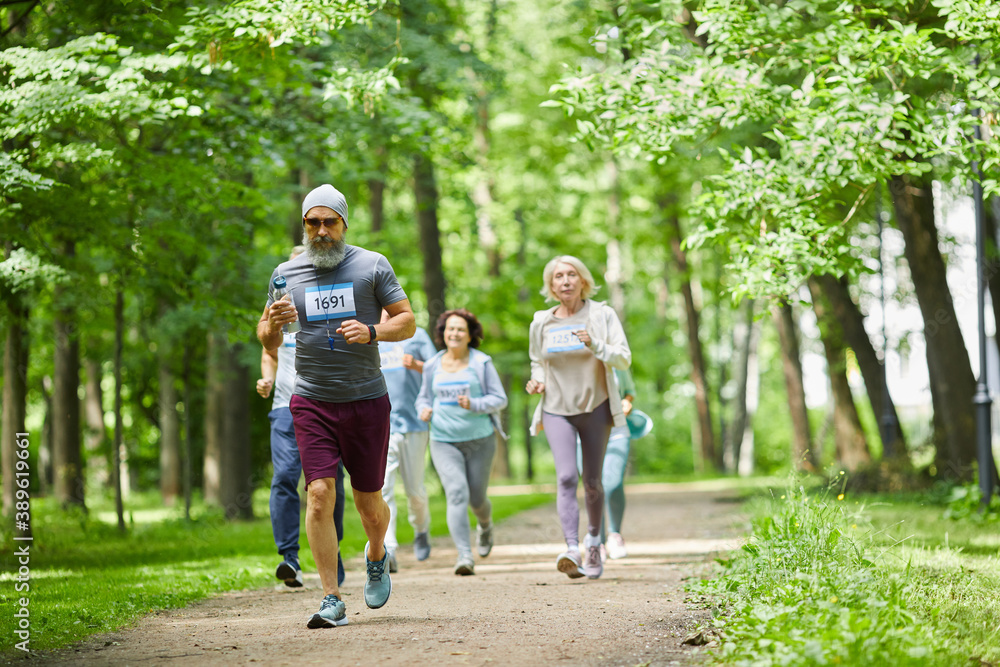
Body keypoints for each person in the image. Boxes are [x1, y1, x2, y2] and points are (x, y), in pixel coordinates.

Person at [258, 184, 416, 629]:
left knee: (369, 504)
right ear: (303, 225)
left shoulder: (372, 265)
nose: (322, 230)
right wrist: (271, 324)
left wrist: (372, 331)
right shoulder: (285, 274)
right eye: (313, 222)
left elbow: (406, 320)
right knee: (319, 494)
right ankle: (331, 596)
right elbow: (266, 339)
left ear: (344, 223)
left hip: (366, 398)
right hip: (311, 399)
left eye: (330, 222)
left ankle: (376, 553)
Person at [526, 255, 631, 580]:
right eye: (559, 276)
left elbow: (624, 358)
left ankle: (595, 542)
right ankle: (572, 548)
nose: (566, 281)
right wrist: (537, 380)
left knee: (592, 481)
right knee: (567, 477)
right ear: (551, 285)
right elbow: (536, 361)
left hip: (596, 406)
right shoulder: (541, 321)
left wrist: (595, 344)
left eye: (572, 275)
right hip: (556, 408)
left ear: (583, 280)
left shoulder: (602, 314)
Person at [256, 244, 345, 589]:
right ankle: (289, 558)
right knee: (285, 478)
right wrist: (266, 376)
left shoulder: (329, 303)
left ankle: (332, 556)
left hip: (326, 405)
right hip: (284, 408)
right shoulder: (279, 305)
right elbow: (269, 348)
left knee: (326, 485)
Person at [416, 309, 508, 576]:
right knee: (457, 493)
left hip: (480, 440)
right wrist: (423, 409)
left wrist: (475, 404)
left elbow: (499, 398)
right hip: (444, 441)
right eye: (450, 329)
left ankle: (485, 524)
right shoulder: (432, 364)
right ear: (443, 334)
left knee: (477, 498)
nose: (454, 333)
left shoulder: (481, 363)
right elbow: (423, 398)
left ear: (470, 336)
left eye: (460, 330)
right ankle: (464, 556)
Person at [378, 309, 438, 571]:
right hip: (380, 425)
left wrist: (417, 365)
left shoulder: (417, 335)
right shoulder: (370, 336)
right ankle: (388, 547)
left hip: (414, 423)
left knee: (414, 491)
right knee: (383, 489)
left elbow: (440, 370)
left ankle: (421, 528)